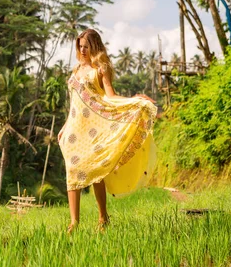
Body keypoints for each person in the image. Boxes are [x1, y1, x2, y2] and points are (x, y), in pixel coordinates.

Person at [57, 29, 158, 233]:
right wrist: (65, 126)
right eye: (80, 46)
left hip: (93, 130)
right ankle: (74, 222)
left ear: (94, 46)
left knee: (96, 172)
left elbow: (109, 97)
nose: (83, 50)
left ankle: (103, 217)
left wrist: (134, 100)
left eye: (86, 46)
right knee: (72, 172)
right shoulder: (75, 71)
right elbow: (73, 104)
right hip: (74, 131)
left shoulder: (100, 68)